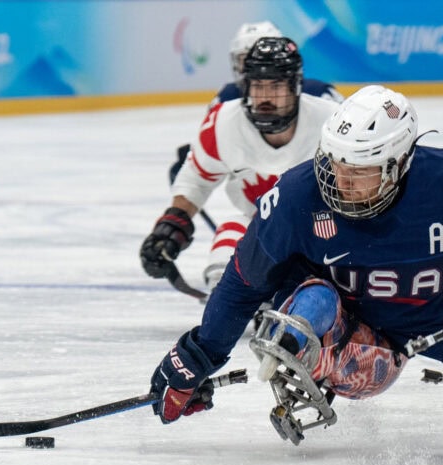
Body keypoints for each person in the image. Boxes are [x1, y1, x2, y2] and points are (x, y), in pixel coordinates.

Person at [148, 85, 443, 435]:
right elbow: (244, 282)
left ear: (399, 164)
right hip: (337, 329)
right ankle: (301, 348)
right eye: (335, 165)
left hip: (425, 335)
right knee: (314, 300)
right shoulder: (297, 196)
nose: (339, 182)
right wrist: (196, 358)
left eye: (359, 172)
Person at [140, 36, 339, 289]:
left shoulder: (331, 122)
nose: (265, 96)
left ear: (295, 87)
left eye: (276, 86)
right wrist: (172, 225)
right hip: (255, 226)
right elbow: (196, 180)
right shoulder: (223, 124)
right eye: (258, 86)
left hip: (320, 232)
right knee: (222, 268)